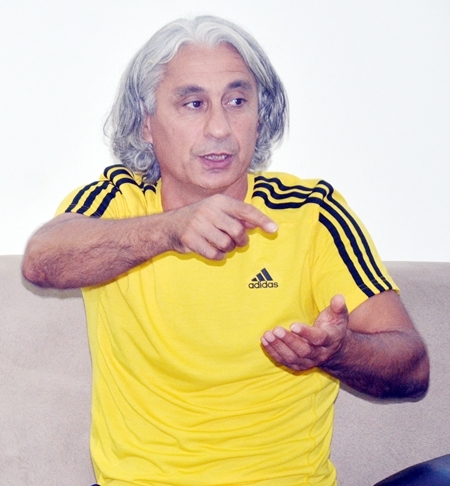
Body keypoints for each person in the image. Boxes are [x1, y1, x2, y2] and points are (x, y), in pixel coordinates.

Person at [22, 15, 429, 486]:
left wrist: (338, 353)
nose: (219, 128)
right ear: (146, 124)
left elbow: (412, 369)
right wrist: (170, 230)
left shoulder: (311, 213)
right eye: (193, 104)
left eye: (237, 101)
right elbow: (43, 260)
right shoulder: (120, 203)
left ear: (261, 115)